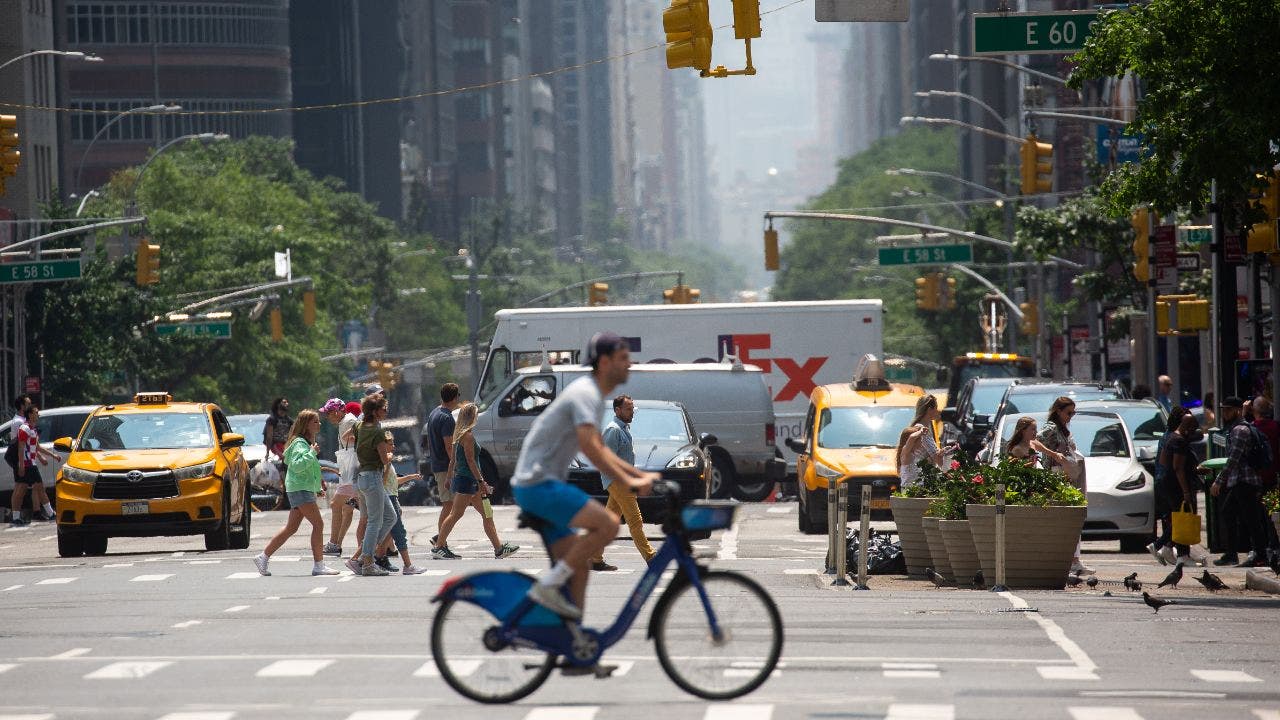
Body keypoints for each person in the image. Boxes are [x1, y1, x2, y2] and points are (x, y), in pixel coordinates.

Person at [512, 331, 657, 622]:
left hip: (542, 485)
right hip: (538, 484)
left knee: (578, 567)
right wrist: (630, 481)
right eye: (623, 359)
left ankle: (574, 646)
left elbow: (601, 447)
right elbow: (591, 448)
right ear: (604, 363)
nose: (630, 364)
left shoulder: (594, 396)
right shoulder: (586, 393)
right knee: (608, 525)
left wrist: (639, 473)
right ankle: (548, 587)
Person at [254, 410, 340, 576]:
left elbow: (310, 469)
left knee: (291, 528)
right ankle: (319, 565)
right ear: (306, 424)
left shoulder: (303, 443)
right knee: (318, 524)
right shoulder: (300, 444)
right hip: (299, 489)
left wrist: (317, 487)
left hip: (301, 488)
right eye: (315, 422)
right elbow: (298, 465)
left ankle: (263, 557)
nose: (319, 424)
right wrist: (311, 452)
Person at [433, 402, 519, 560]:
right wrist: (481, 481)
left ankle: (499, 549)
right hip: (468, 480)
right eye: (476, 414)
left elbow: (453, 460)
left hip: (467, 480)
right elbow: (470, 461)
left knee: (487, 513)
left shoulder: (459, 435)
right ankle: (439, 546)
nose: (478, 417)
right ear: (471, 417)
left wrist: (450, 477)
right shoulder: (468, 436)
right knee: (455, 514)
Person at [588, 395, 654, 571]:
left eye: (632, 409)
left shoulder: (623, 429)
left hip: (622, 481)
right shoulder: (614, 430)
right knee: (635, 520)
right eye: (628, 409)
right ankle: (651, 557)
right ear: (617, 410)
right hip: (618, 481)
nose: (632, 412)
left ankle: (595, 558)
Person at [1211, 396, 1270, 567]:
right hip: (1239, 481)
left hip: (1244, 481)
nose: (1225, 413)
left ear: (1237, 411)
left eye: (1228, 410)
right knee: (1228, 512)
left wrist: (1218, 481)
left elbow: (1233, 459)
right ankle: (1232, 553)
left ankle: (1260, 555)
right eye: (1224, 410)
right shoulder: (1239, 428)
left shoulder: (1240, 431)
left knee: (1251, 519)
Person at [1037, 396, 1093, 574]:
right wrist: (1053, 454)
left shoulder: (1063, 429)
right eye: (1069, 412)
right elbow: (1034, 441)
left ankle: (1074, 560)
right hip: (1056, 479)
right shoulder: (1051, 427)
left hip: (1066, 477)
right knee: (1067, 519)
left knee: (1073, 518)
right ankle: (1069, 560)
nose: (1071, 416)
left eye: (1073, 413)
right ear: (1058, 411)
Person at [345, 395, 398, 576]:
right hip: (373, 477)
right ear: (375, 412)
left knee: (390, 516)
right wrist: (390, 456)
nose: (386, 412)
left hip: (361, 477)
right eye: (384, 409)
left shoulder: (358, 426)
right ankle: (367, 562)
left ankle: (364, 556)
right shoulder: (377, 432)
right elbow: (384, 459)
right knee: (375, 521)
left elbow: (349, 438)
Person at [1147, 406, 1191, 565]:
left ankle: (1167, 546)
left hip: (1162, 482)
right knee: (1181, 517)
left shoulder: (1166, 436)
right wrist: (1186, 491)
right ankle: (1162, 545)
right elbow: (1177, 467)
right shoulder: (1176, 439)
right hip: (1172, 484)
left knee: (1175, 518)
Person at [425, 383, 463, 559]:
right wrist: (455, 465)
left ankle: (440, 539)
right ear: (454, 398)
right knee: (448, 505)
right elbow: (449, 446)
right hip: (445, 466)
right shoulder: (447, 418)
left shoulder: (434, 413)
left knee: (448, 505)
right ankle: (441, 544)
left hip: (437, 464)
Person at [10, 404, 59, 526]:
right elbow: (21, 448)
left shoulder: (33, 429)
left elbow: (36, 447)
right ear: (30, 414)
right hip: (27, 464)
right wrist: (21, 465)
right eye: (36, 412)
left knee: (36, 488)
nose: (38, 414)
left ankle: (49, 513)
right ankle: (50, 513)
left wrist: (52, 456)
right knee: (23, 490)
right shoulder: (24, 428)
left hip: (31, 463)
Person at [322, 399, 358, 556]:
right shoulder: (347, 421)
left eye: (329, 413)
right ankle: (336, 543)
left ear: (337, 412)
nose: (327, 417)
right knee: (347, 508)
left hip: (351, 473)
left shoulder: (348, 421)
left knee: (337, 505)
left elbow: (356, 440)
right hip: (349, 472)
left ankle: (334, 543)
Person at [895, 394, 953, 488]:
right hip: (921, 484)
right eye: (936, 408)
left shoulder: (919, 429)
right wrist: (952, 475)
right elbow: (937, 459)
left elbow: (930, 458)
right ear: (929, 410)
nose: (938, 411)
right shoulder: (922, 431)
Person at [263, 397, 293, 464]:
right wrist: (267, 452)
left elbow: (293, 434)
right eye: (284, 402)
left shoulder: (289, 420)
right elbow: (269, 437)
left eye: (286, 402)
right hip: (276, 446)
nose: (286, 404)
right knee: (283, 460)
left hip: (286, 446)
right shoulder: (272, 420)